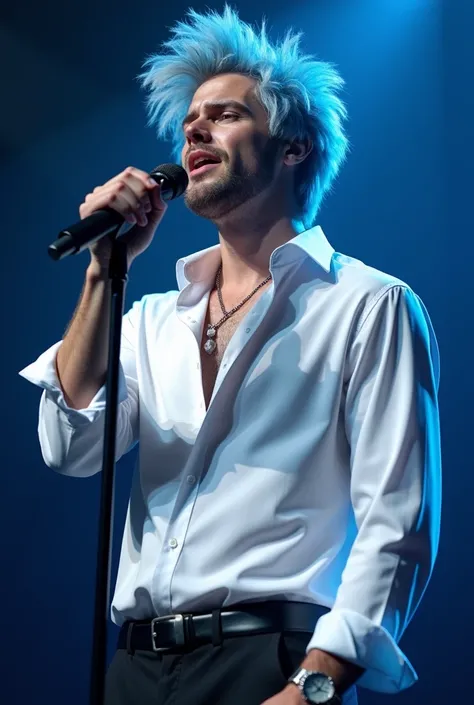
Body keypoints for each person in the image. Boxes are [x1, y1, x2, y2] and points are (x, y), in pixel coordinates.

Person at [19, 6, 441, 705]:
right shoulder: (151, 319)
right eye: (190, 120)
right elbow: (70, 446)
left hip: (270, 662)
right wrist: (103, 272)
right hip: (136, 668)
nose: (194, 128)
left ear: (293, 146)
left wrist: (313, 687)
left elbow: (398, 523)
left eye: (224, 114)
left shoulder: (369, 304)